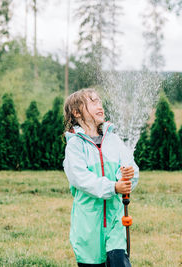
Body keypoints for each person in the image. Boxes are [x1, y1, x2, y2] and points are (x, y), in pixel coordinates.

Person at [63, 88, 139, 266]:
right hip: (88, 226)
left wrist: (127, 176)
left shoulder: (113, 140)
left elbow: (130, 169)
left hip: (115, 223)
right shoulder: (75, 145)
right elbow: (80, 178)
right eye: (93, 102)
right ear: (77, 112)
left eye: (100, 101)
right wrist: (113, 187)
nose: (100, 105)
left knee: (119, 262)